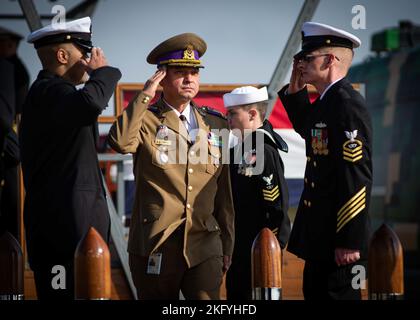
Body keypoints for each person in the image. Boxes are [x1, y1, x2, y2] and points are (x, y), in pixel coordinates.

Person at [108, 33, 235, 300]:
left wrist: (227, 244)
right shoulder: (146, 119)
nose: (190, 79)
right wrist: (145, 96)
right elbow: (120, 142)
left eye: (195, 73)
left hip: (205, 244)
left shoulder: (216, 124)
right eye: (180, 72)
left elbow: (223, 191)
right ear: (161, 77)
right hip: (157, 243)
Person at [20, 17, 121, 299]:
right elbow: (90, 102)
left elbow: (84, 106)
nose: (89, 61)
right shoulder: (49, 92)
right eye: (84, 54)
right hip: (63, 233)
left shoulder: (55, 96)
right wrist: (105, 72)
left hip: (64, 228)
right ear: (63, 55)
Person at [278, 22, 373, 300]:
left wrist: (348, 239)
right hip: (321, 240)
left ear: (330, 60)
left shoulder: (347, 103)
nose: (300, 65)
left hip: (339, 243)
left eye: (307, 58)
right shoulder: (327, 101)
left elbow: (356, 175)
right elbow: (311, 132)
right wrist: (295, 91)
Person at [223, 86, 290, 300]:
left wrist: (271, 253)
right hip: (241, 250)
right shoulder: (242, 149)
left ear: (252, 114)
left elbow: (276, 207)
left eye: (233, 113)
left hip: (258, 253)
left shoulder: (263, 149)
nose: (228, 118)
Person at [0, 27, 29, 240]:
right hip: (12, 140)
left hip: (9, 142)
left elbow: (4, 115)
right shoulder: (15, 67)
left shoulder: (9, 68)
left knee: (11, 203)